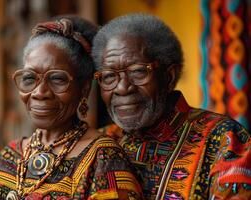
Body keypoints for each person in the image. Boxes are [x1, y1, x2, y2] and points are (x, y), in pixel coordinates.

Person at [0, 16, 142, 200]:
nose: (39, 92)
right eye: (29, 78)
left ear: (84, 89)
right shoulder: (9, 156)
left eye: (57, 79)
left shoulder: (103, 159)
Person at [92, 13, 251, 199]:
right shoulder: (99, 145)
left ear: (169, 76)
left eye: (137, 72)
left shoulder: (225, 139)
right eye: (109, 76)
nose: (122, 87)